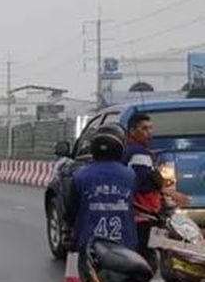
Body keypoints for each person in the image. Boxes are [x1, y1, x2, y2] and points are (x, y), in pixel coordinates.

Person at [64, 125, 138, 272]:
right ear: (120, 148)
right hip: (125, 245)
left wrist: (68, 234)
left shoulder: (80, 176)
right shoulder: (130, 175)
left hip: (89, 246)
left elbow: (71, 211)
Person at [123, 113, 189, 260]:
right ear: (132, 131)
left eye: (151, 128)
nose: (149, 133)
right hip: (143, 214)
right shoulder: (139, 153)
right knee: (146, 256)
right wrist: (171, 194)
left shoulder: (130, 151)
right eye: (144, 129)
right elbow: (142, 183)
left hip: (137, 214)